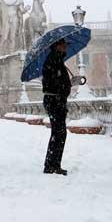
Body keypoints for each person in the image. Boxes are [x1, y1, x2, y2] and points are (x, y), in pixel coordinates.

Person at [42, 39, 72, 175]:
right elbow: (53, 82)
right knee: (59, 133)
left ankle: (53, 164)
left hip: (56, 100)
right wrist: (66, 85)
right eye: (64, 45)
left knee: (58, 133)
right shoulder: (53, 61)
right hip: (55, 100)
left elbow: (59, 82)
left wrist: (69, 82)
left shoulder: (57, 60)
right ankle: (51, 165)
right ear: (57, 46)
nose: (66, 47)